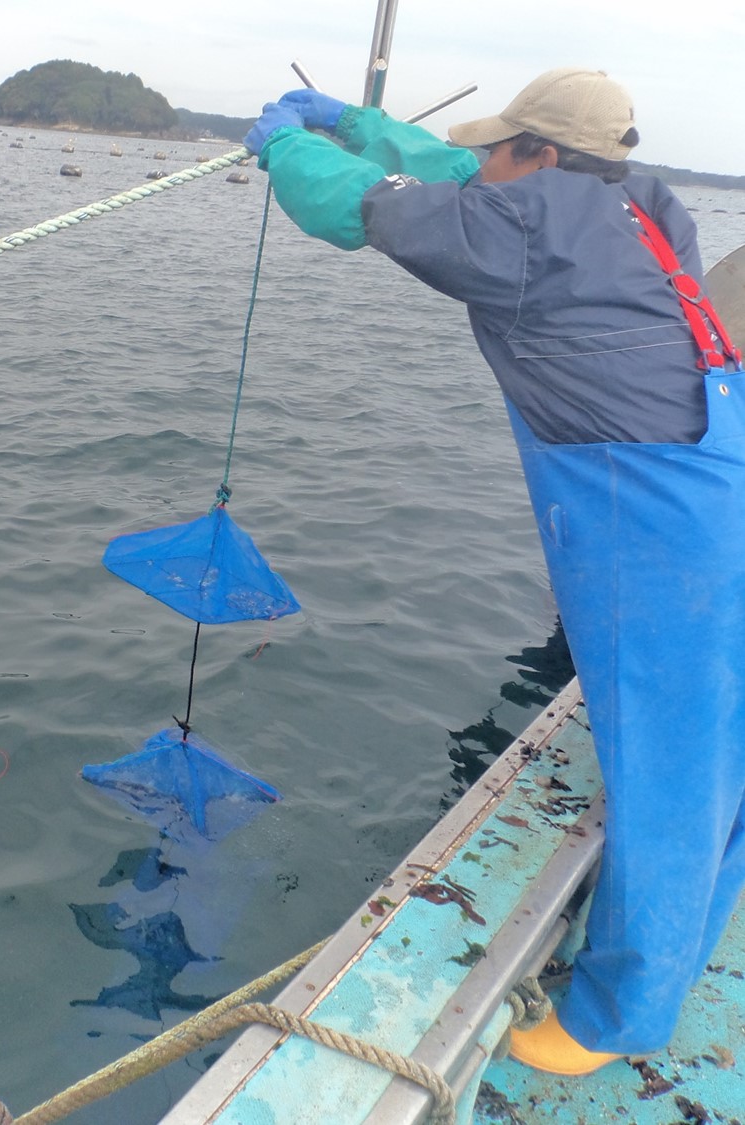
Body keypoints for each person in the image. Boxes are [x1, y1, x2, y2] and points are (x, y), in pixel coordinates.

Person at [243, 68, 744, 1076]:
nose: (486, 163)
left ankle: (617, 1018)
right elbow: (453, 167)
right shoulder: (646, 202)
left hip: (649, 517)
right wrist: (354, 118)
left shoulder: (520, 230)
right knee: (721, 729)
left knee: (667, 758)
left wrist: (285, 142)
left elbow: (355, 207)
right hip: (718, 463)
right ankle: (680, 933)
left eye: (506, 148)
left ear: (545, 159)